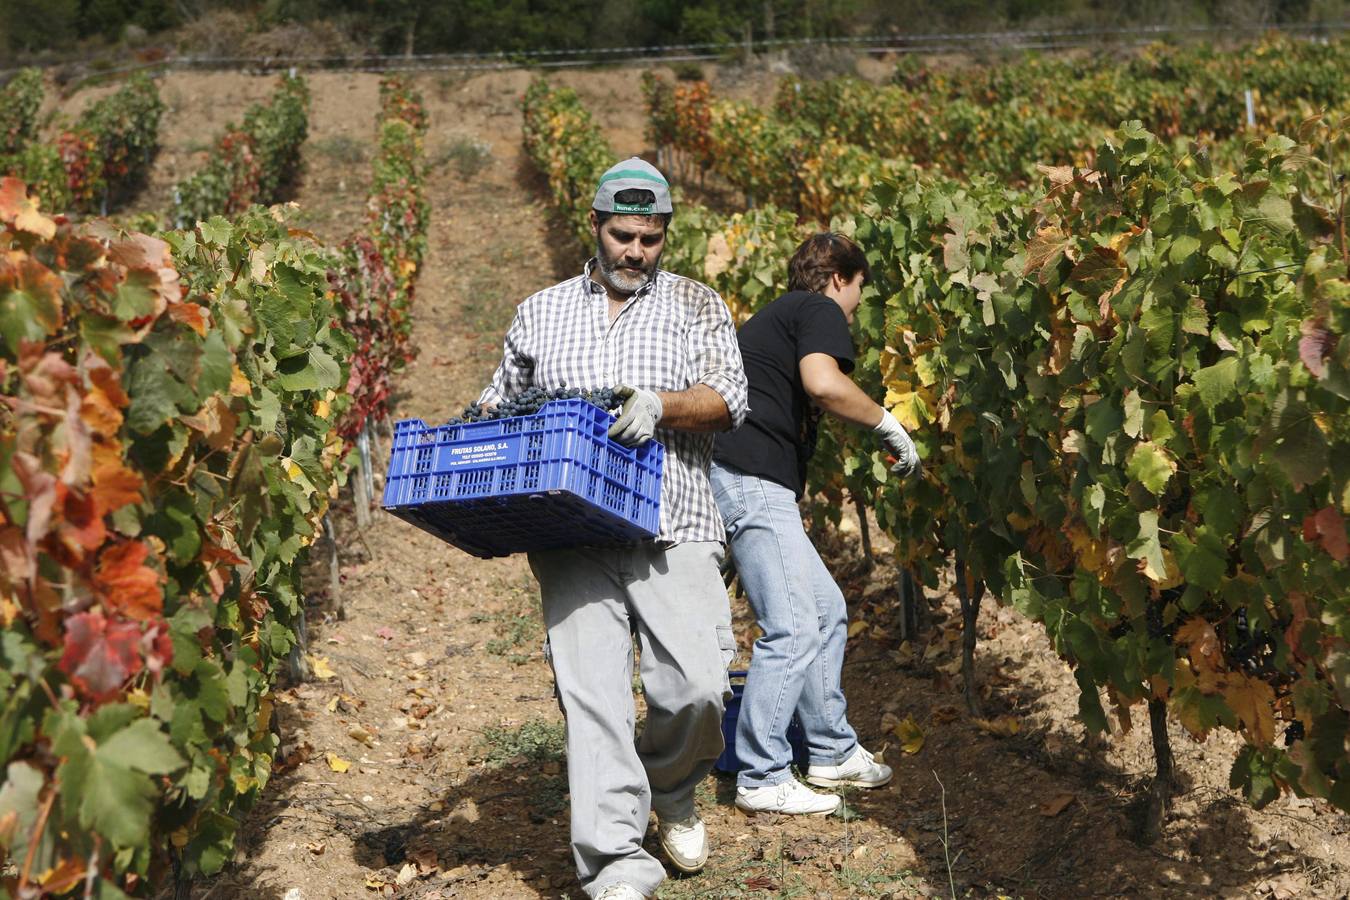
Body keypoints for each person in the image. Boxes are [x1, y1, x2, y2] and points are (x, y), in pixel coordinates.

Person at [478, 157, 748, 900]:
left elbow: (730, 397)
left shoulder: (697, 305)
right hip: (571, 533)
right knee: (591, 696)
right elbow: (499, 404)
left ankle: (671, 786)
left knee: (695, 687)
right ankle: (615, 864)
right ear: (594, 227)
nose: (635, 251)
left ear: (666, 237)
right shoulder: (540, 311)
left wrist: (661, 405)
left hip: (675, 518)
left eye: (650, 239)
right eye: (623, 235)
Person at [710, 232, 920, 816]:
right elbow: (824, 384)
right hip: (751, 479)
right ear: (836, 279)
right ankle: (762, 773)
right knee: (795, 625)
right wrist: (886, 423)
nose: (854, 307)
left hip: (751, 479)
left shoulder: (782, 315)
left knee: (826, 612)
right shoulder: (816, 308)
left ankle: (829, 749)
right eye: (858, 292)